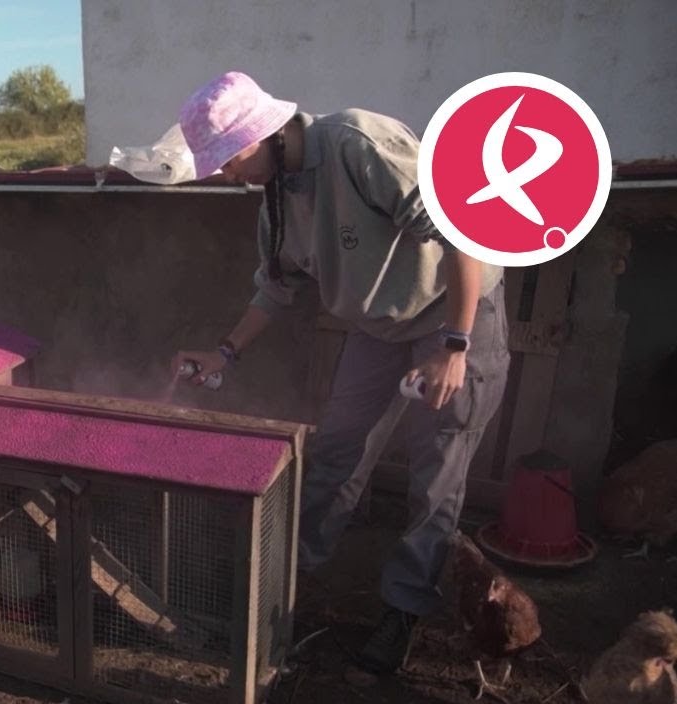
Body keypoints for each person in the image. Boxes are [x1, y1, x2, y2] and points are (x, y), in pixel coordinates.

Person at [171, 71, 510, 673]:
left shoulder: (356, 144)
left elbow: (464, 227)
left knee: (435, 473)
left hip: (451, 314)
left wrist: (455, 345)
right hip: (379, 327)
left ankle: (403, 611)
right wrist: (224, 352)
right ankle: (283, 584)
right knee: (338, 450)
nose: (225, 177)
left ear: (261, 136)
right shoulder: (276, 197)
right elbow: (277, 287)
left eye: (227, 162)